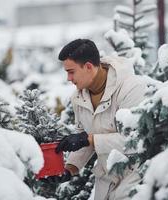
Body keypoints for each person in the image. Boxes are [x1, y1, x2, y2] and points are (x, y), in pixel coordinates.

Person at [52, 39, 147, 200]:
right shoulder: (79, 98)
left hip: (135, 176)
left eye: (71, 71)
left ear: (88, 67)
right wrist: (69, 169)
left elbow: (135, 141)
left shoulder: (131, 88)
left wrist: (88, 139)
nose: (68, 78)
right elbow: (85, 138)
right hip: (106, 179)